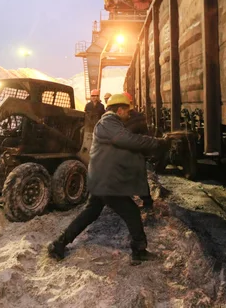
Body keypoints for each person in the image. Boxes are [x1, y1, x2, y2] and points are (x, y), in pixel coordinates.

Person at [47, 93, 168, 265]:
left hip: (101, 179)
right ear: (119, 110)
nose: (129, 115)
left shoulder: (111, 123)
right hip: (106, 182)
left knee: (90, 213)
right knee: (132, 212)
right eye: (127, 111)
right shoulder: (108, 122)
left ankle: (58, 244)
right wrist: (157, 143)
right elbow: (127, 140)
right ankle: (139, 251)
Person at [122, 92, 153, 209]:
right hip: (130, 152)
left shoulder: (137, 117)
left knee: (139, 178)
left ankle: (147, 202)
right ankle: (142, 201)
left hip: (135, 152)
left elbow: (145, 135)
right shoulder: (126, 117)